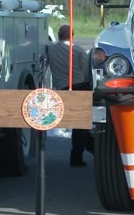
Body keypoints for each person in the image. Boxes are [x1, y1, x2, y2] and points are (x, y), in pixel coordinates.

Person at [47, 25, 94, 167]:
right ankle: (79, 155)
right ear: (72, 35)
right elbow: (87, 71)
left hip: (62, 89)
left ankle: (90, 146)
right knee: (81, 125)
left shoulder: (51, 50)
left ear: (59, 34)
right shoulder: (78, 50)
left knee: (79, 125)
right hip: (79, 86)